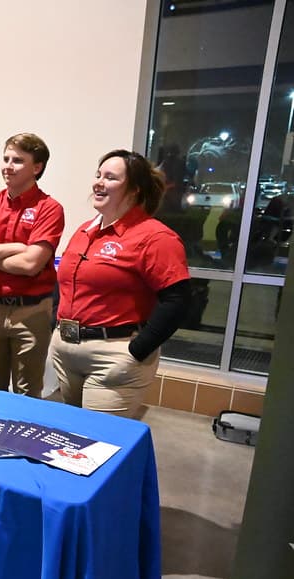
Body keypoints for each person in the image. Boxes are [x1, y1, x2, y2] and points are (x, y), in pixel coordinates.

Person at [51, 149, 192, 418]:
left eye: (110, 178)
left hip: (113, 356)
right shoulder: (85, 230)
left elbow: (178, 300)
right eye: (98, 175)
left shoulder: (155, 237)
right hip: (67, 350)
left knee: (97, 442)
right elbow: (65, 280)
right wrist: (54, 326)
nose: (98, 183)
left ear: (135, 190)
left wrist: (136, 351)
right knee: (72, 438)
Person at [0, 133, 65, 397]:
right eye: (6, 158)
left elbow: (31, 264)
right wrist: (16, 248)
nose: (8, 165)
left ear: (37, 167)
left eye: (17, 160)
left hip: (30, 314)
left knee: (27, 393)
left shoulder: (49, 208)